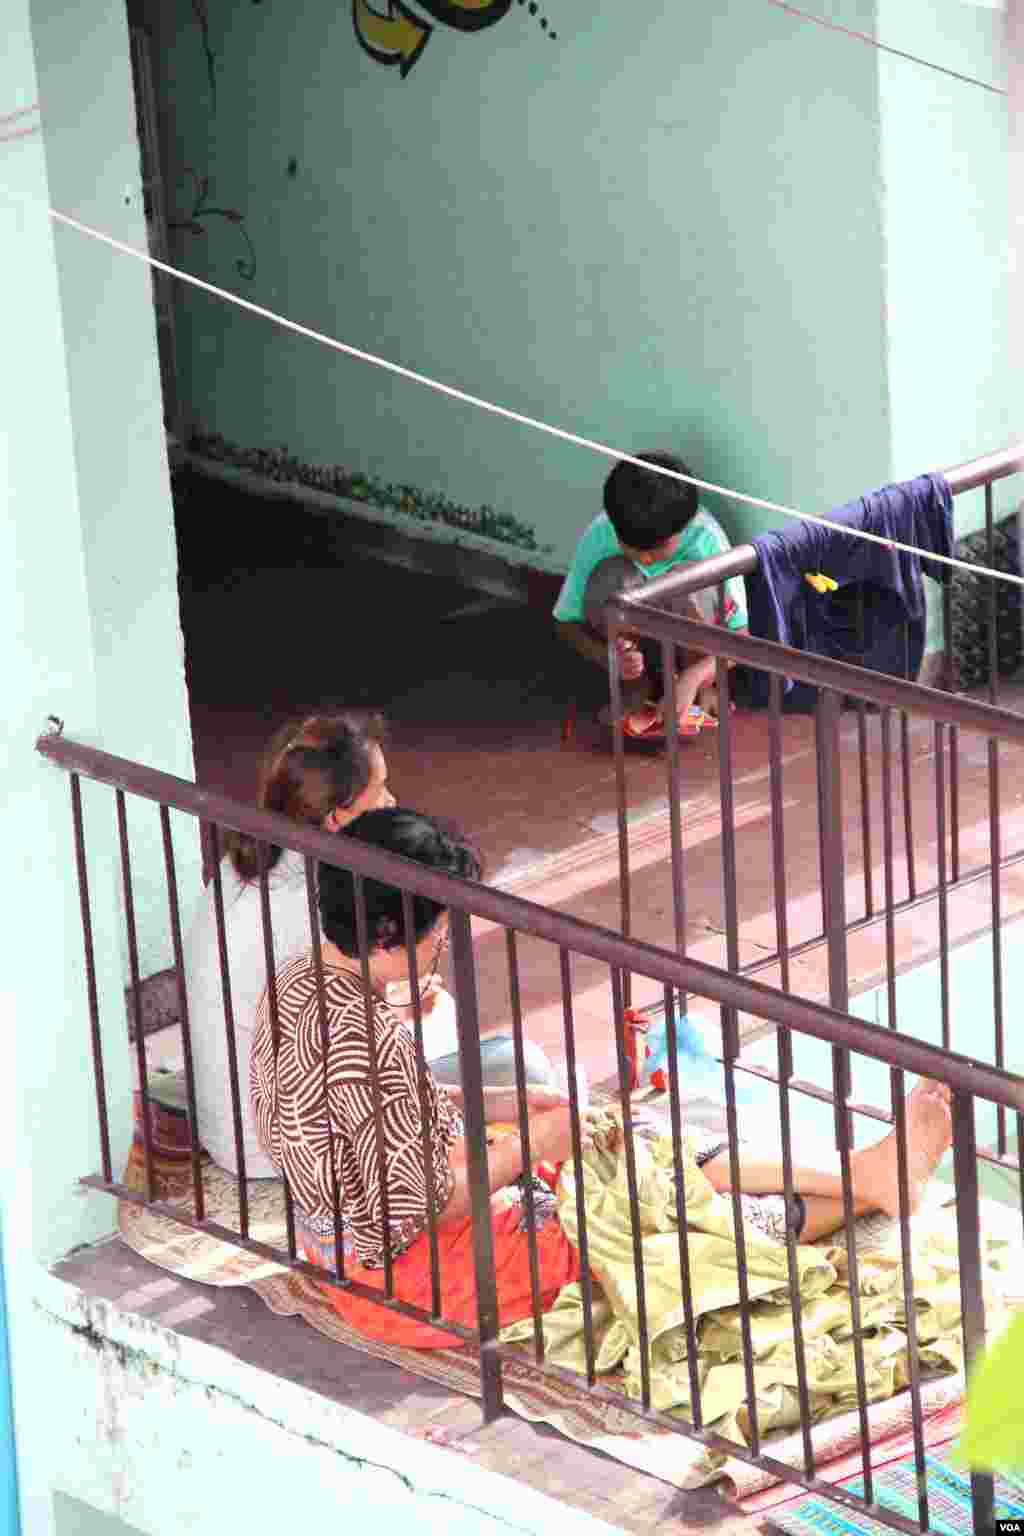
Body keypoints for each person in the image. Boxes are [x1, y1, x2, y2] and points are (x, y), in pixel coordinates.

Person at [250, 807, 954, 1349]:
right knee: (654, 1228)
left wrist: (499, 1105)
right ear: (385, 933)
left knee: (627, 1141)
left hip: (360, 1242)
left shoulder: (295, 985)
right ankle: (857, 1192)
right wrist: (532, 1142)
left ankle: (866, 1174)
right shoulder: (364, 1038)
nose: (443, 941)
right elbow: (420, 1205)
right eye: (437, 926)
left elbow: (380, 1118)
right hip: (408, 1280)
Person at [183, 711, 396, 1178]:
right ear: (337, 817)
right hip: (277, 1148)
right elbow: (355, 1059)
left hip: (230, 1127)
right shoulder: (316, 904)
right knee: (516, 1065)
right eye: (380, 792)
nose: (393, 802)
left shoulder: (250, 861)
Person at [554, 452, 750, 738]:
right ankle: (638, 684)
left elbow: (742, 637)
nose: (646, 559)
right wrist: (612, 661)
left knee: (694, 578)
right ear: (614, 525)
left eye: (658, 548)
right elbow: (565, 623)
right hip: (638, 646)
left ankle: (706, 684)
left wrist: (694, 677)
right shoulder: (600, 534)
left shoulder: (706, 540)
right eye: (631, 546)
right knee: (611, 576)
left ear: (684, 526)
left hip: (693, 649)